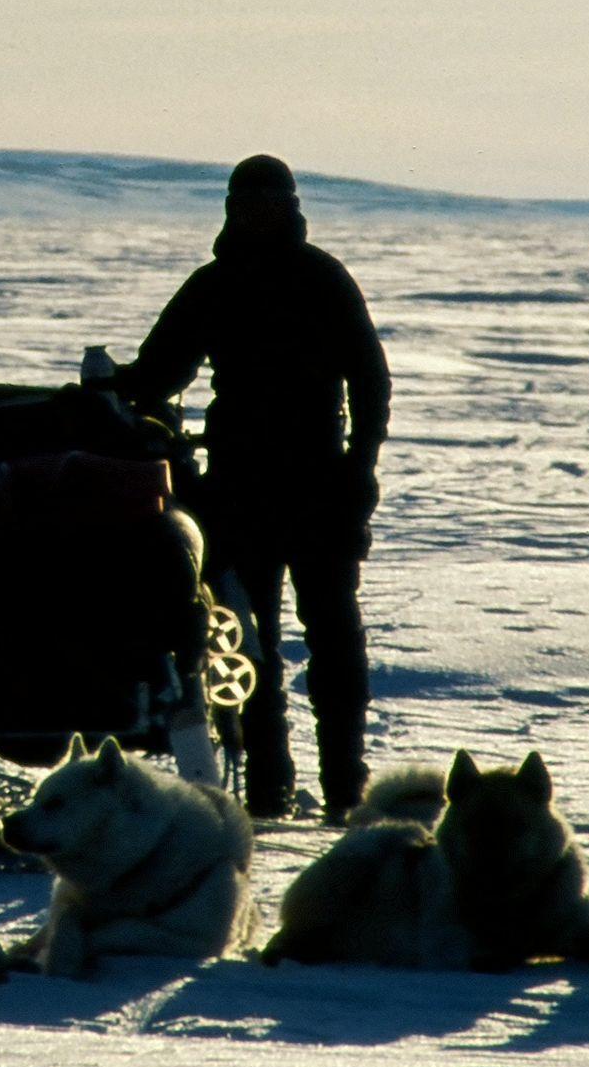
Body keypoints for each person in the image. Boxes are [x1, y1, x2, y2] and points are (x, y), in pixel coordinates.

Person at [100, 155, 390, 822]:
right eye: (248, 204)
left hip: (314, 485)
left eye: (268, 204)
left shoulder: (318, 279)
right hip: (241, 489)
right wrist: (109, 388)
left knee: (330, 642)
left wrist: (358, 466)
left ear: (288, 207)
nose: (258, 215)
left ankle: (344, 788)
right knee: (246, 644)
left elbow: (369, 380)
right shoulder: (218, 284)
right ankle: (269, 788)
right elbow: (158, 372)